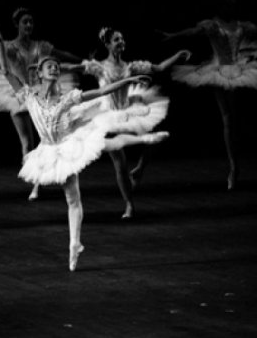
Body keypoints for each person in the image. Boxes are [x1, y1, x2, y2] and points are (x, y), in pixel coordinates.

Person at [0, 21, 169, 271]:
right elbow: (7, 72)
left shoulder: (69, 97)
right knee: (87, 175)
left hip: (66, 145)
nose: (53, 68)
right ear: (40, 74)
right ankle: (144, 140)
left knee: (76, 196)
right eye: (48, 66)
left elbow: (102, 91)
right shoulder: (29, 95)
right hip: (48, 150)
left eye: (55, 66)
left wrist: (129, 81)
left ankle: (74, 244)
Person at [0, 8, 81, 200]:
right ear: (17, 25)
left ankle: (39, 184)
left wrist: (83, 60)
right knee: (26, 142)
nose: (29, 25)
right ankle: (34, 183)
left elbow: (60, 53)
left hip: (40, 93)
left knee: (45, 138)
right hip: (19, 94)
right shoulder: (9, 46)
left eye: (31, 22)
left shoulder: (41, 46)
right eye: (25, 22)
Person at [63, 27, 190, 218]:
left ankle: (139, 169)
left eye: (122, 39)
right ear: (107, 44)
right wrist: (45, 67)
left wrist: (177, 55)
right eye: (116, 39)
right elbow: (73, 68)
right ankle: (129, 205)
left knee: (154, 137)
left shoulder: (131, 67)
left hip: (129, 109)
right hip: (108, 115)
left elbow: (159, 68)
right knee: (120, 164)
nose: (121, 42)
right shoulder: (99, 67)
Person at [161, 0, 257, 190]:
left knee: (233, 119)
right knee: (228, 119)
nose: (232, 3)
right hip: (219, 70)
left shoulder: (242, 25)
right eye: (228, 0)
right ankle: (233, 167)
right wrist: (174, 35)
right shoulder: (213, 24)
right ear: (221, 3)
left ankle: (235, 165)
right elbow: (194, 31)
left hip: (239, 68)